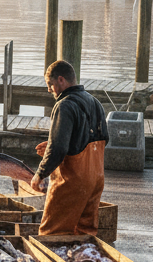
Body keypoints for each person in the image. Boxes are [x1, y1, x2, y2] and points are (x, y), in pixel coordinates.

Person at [30, 60, 109, 236]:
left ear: (61, 80)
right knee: (85, 232)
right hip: (96, 178)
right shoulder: (94, 101)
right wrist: (61, 145)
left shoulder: (64, 105)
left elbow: (58, 148)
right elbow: (104, 139)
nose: (49, 90)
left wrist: (40, 174)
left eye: (50, 85)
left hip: (73, 180)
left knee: (52, 232)